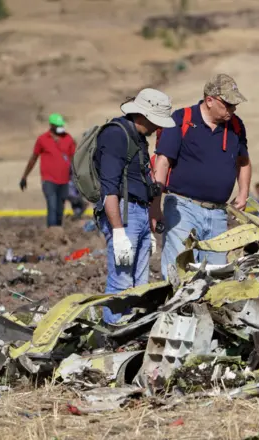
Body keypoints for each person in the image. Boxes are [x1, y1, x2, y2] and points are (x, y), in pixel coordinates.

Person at [152, 74, 251, 279]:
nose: (233, 110)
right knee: (178, 272)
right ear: (209, 100)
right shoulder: (182, 119)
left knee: (215, 276)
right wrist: (154, 206)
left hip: (218, 214)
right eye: (228, 104)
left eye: (235, 105)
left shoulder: (236, 126)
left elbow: (243, 162)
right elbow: (162, 162)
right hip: (183, 208)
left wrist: (243, 193)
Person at [94, 88, 175, 324]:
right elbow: (109, 189)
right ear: (144, 115)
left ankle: (133, 333)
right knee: (121, 283)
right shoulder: (115, 135)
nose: (157, 128)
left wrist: (147, 228)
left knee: (140, 284)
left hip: (137, 215)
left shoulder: (138, 138)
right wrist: (118, 232)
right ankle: (113, 334)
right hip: (122, 214)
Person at [19, 113, 76, 227]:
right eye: (57, 125)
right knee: (52, 206)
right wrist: (24, 177)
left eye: (61, 125)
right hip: (49, 180)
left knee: (60, 209)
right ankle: (51, 233)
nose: (60, 128)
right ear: (51, 126)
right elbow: (33, 158)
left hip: (64, 180)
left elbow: (74, 159)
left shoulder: (68, 139)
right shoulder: (42, 139)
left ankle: (58, 233)